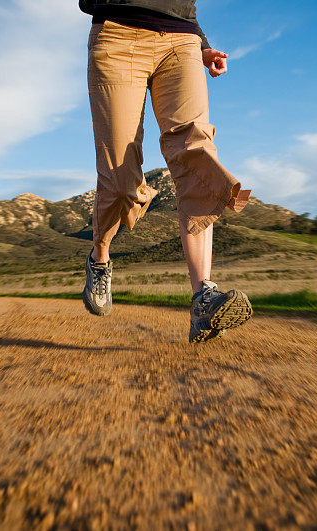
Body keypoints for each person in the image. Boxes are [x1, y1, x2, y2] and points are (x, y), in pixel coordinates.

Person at [79, 0, 253, 343]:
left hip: (182, 41)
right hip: (117, 34)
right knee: (120, 178)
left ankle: (204, 297)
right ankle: (99, 258)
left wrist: (201, 44)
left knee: (197, 154)